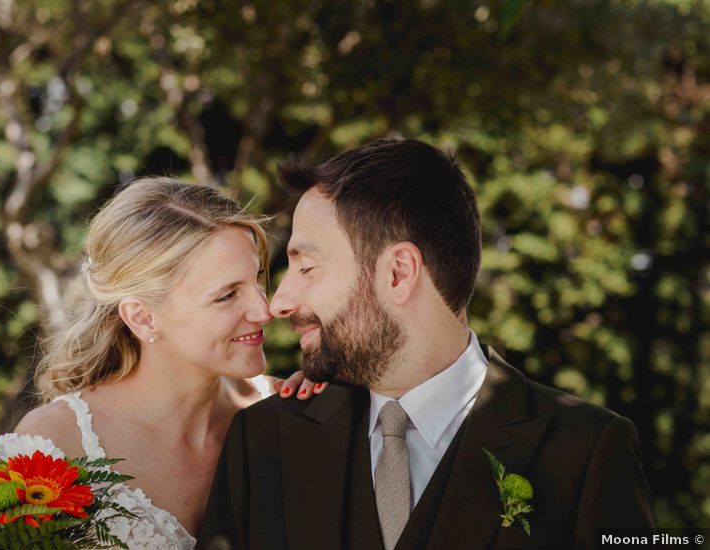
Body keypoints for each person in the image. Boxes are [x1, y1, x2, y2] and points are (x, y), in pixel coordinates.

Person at [197, 138, 654, 550]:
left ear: (398, 272)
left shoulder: (586, 450)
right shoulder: (263, 441)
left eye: (307, 268)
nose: (279, 302)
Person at [13, 177, 320, 550]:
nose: (264, 310)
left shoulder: (290, 412)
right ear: (143, 318)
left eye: (257, 279)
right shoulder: (56, 443)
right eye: (226, 296)